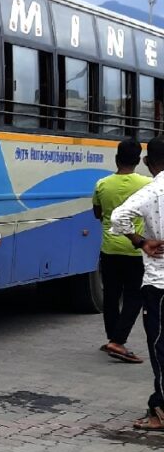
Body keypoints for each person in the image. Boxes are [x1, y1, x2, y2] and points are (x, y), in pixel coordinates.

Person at [110, 135, 164, 432]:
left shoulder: (153, 190)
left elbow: (119, 217)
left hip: (160, 283)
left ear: (147, 162)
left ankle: (161, 411)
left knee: (160, 347)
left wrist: (141, 241)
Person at [92, 138, 150, 363]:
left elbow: (97, 214)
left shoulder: (102, 184)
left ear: (116, 159)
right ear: (138, 161)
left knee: (111, 295)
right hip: (136, 249)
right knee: (135, 296)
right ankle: (118, 340)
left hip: (109, 248)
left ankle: (112, 339)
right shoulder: (146, 184)